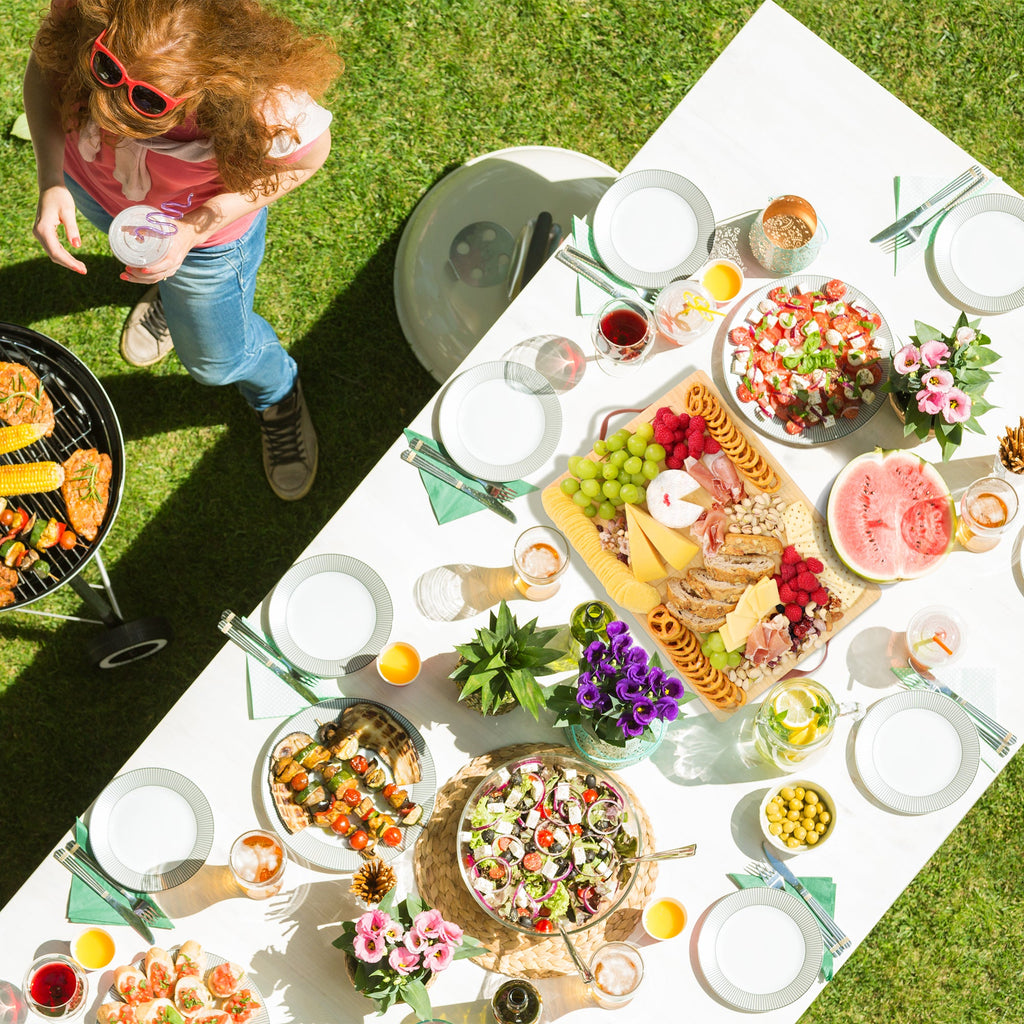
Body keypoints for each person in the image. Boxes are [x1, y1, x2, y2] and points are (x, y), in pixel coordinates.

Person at [23, 0, 341, 500]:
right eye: (104, 70)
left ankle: (277, 395)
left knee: (216, 362)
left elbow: (304, 160)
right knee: (146, 264)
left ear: (212, 81)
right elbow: (44, 73)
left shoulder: (265, 102)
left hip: (203, 244)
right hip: (94, 189)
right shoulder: (90, 12)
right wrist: (51, 179)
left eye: (148, 103)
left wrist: (192, 231)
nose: (108, 115)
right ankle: (172, 299)